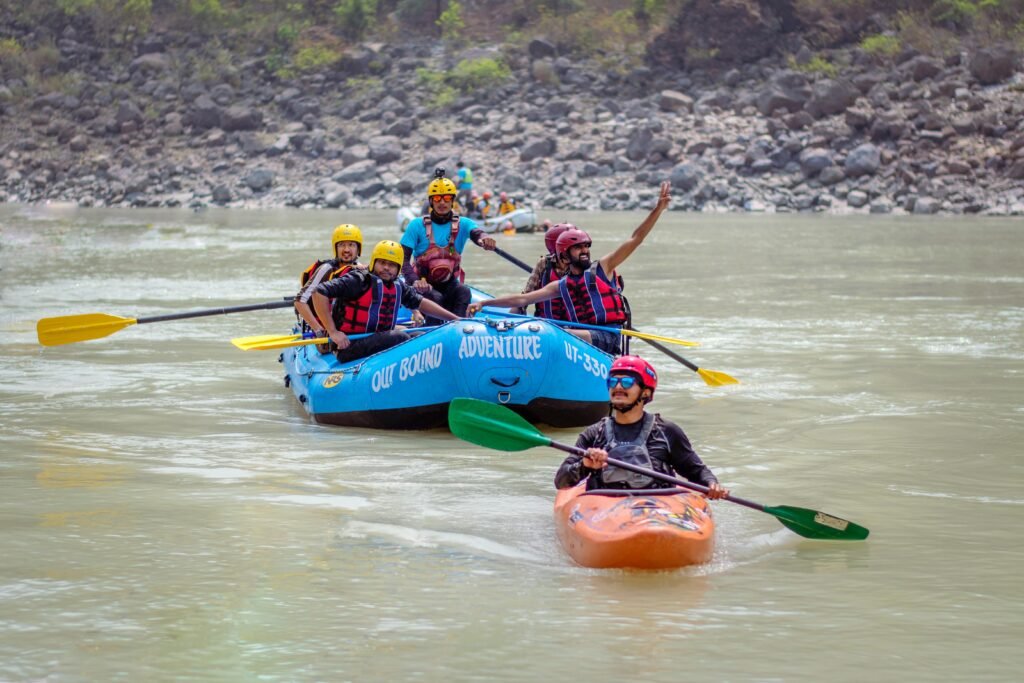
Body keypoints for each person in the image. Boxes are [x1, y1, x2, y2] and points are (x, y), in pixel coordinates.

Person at [467, 181, 672, 354]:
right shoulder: (561, 285)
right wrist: (485, 303)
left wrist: (658, 210)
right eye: (578, 248)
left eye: (586, 246)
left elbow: (635, 239)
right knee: (547, 329)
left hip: (608, 336)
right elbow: (523, 299)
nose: (584, 251)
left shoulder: (603, 268)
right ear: (564, 253)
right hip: (579, 333)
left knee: (552, 332)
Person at [554, 355, 729, 498]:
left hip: (657, 512)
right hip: (605, 512)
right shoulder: (594, 433)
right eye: (613, 382)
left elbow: (696, 471)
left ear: (645, 392)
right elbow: (561, 482)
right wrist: (585, 465)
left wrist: (711, 484)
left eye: (627, 382)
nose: (618, 387)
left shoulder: (666, 431)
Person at [312, 240, 459, 364]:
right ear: (373, 262)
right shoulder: (358, 280)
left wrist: (455, 319)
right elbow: (318, 292)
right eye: (382, 263)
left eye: (392, 265)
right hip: (348, 345)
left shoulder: (398, 286)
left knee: (422, 336)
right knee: (399, 337)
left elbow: (421, 303)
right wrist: (333, 332)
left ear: (398, 269)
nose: (387, 268)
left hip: (378, 339)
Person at [400, 174, 497, 322]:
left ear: (452, 200)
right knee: (434, 296)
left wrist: (484, 239)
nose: (442, 202)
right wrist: (414, 281)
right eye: (437, 198)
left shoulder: (463, 224)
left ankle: (459, 328)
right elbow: (402, 260)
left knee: (464, 291)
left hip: (450, 284)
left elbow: (477, 234)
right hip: (423, 285)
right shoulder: (416, 225)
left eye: (446, 198)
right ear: (431, 201)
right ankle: (432, 330)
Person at [295, 223, 363, 338]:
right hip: (323, 327)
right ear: (335, 248)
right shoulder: (326, 269)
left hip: (345, 326)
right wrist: (318, 329)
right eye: (342, 245)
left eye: (351, 245)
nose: (346, 249)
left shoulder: (361, 269)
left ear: (358, 249)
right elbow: (299, 301)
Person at [512, 222, 573, 317]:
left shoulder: (583, 265)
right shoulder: (543, 263)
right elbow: (527, 294)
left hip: (574, 326)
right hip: (546, 323)